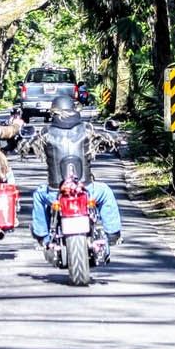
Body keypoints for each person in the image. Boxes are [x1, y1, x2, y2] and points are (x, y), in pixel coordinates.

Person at [29, 93, 122, 246]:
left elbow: (32, 146)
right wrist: (113, 140)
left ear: (54, 112)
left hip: (55, 193)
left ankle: (43, 237)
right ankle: (112, 233)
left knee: (39, 195)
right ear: (73, 110)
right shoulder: (87, 129)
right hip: (87, 190)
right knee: (105, 191)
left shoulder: (46, 133)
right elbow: (105, 139)